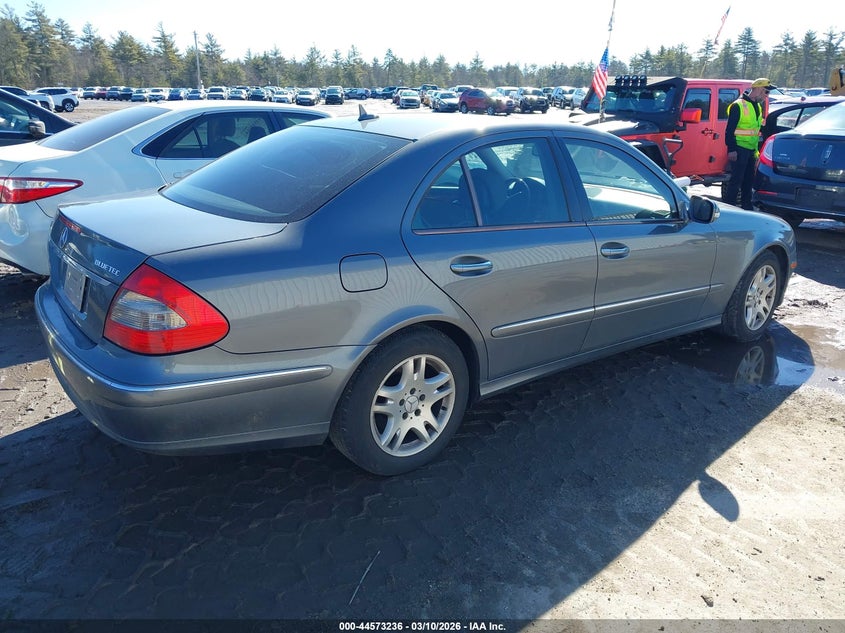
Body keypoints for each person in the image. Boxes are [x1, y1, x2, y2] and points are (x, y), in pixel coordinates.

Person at [723, 77, 775, 209]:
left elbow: (756, 127)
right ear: (758, 89)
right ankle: (729, 208)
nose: (767, 96)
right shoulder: (738, 105)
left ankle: (747, 207)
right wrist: (731, 149)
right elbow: (729, 130)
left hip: (751, 149)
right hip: (739, 149)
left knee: (748, 181)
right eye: (766, 92)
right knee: (736, 180)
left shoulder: (757, 105)